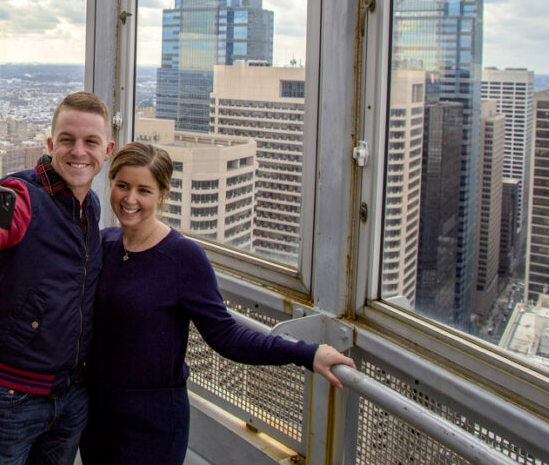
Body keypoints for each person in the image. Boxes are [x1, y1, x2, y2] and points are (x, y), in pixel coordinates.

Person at [79, 141, 355, 465]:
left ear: (163, 194)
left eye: (144, 190)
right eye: (122, 185)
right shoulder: (102, 243)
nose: (130, 199)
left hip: (151, 420)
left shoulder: (183, 257)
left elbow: (227, 336)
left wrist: (306, 353)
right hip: (97, 412)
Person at [0, 91, 114, 465]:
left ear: (106, 150)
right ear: (50, 145)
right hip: (7, 397)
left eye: (90, 142)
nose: (79, 151)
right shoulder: (22, 196)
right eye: (67, 140)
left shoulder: (89, 208)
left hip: (68, 395)